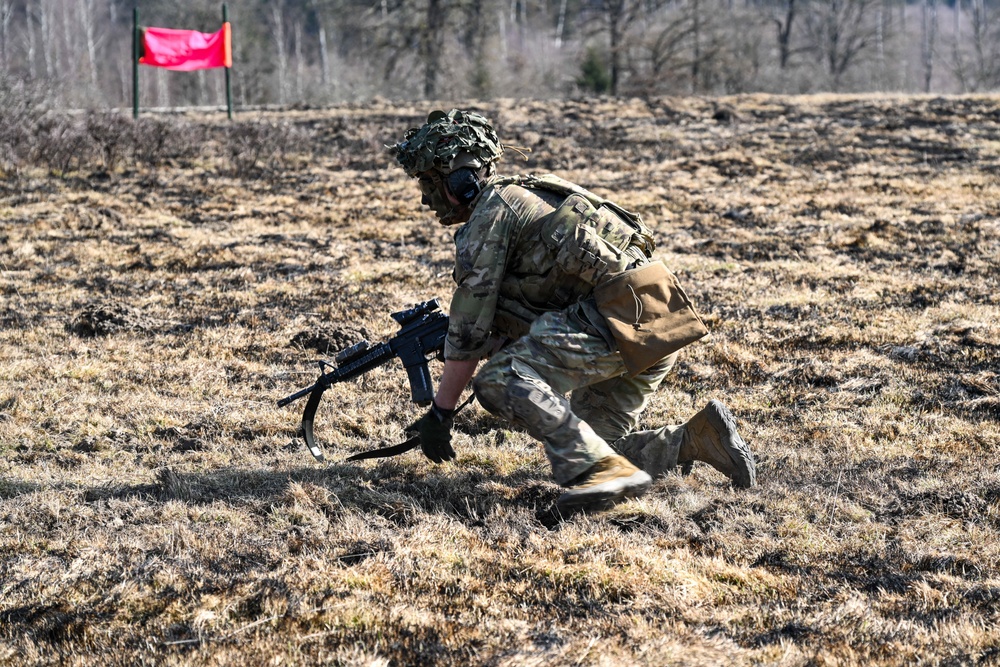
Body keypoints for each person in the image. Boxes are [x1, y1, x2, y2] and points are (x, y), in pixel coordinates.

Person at [390, 109, 756, 514]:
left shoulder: (492, 214)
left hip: (615, 320)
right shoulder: (532, 193)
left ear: (461, 178)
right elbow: (546, 299)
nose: (425, 197)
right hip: (658, 315)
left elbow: (466, 335)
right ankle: (698, 439)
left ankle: (602, 474)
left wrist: (440, 414)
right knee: (597, 445)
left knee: (498, 379)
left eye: (429, 182)